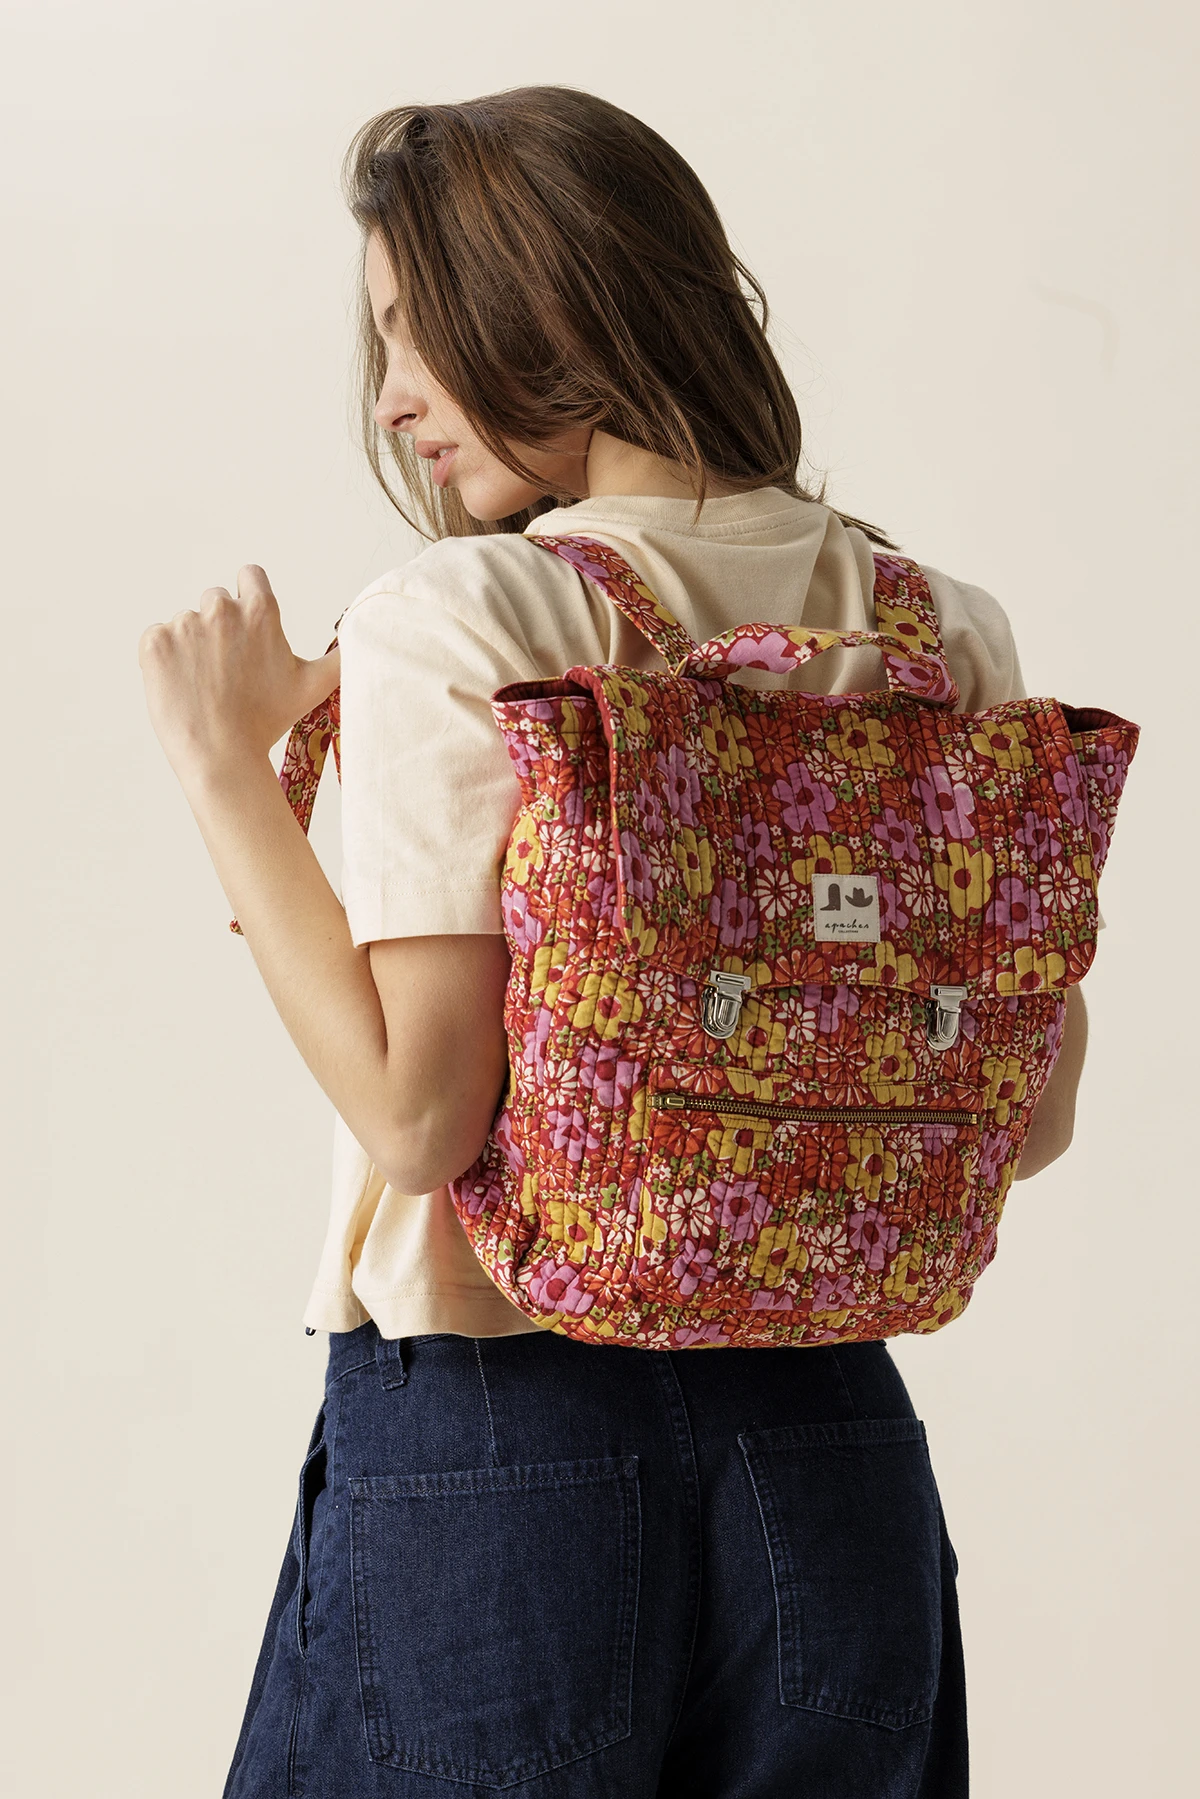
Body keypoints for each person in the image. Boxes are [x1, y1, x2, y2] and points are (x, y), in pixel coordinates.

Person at [139, 85, 1087, 1799]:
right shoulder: (939, 634)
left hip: (502, 1442)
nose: (394, 397)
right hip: (835, 1455)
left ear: (549, 304)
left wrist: (221, 766)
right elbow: (1030, 1118)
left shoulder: (466, 613)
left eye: (414, 330)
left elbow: (421, 1116)